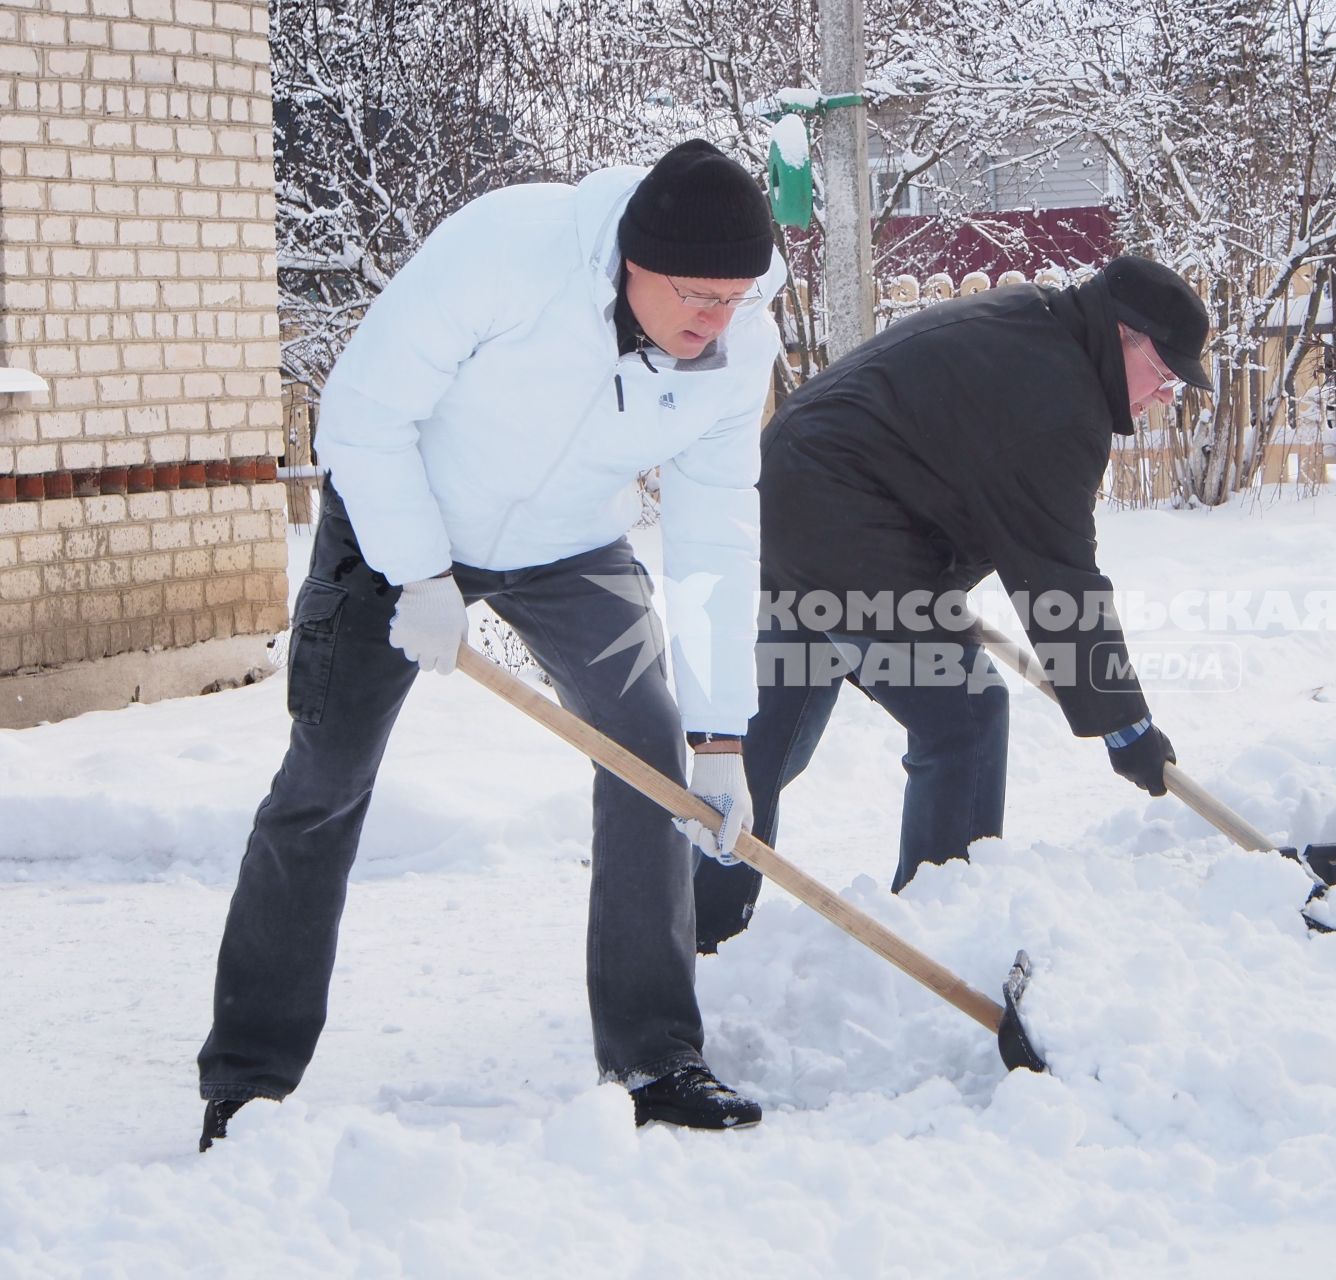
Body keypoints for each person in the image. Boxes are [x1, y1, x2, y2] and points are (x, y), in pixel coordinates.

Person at [198, 140, 780, 1148]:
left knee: (650, 751)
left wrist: (724, 737)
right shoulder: (510, 248)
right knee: (324, 775)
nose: (714, 320)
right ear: (632, 260)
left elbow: (716, 523)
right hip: (395, 520)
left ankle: (655, 1055)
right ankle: (248, 1078)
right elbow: (365, 416)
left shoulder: (738, 336)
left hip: (567, 546)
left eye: (735, 297)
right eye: (696, 294)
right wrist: (419, 570)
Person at [694, 255, 1212, 950]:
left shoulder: (1035, 325)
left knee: (761, 746)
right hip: (845, 524)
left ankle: (698, 932)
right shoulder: (1057, 398)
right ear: (1126, 336)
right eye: (1167, 373)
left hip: (790, 492)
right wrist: (1127, 728)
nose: (1167, 394)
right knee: (965, 713)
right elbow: (1060, 580)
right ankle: (941, 933)